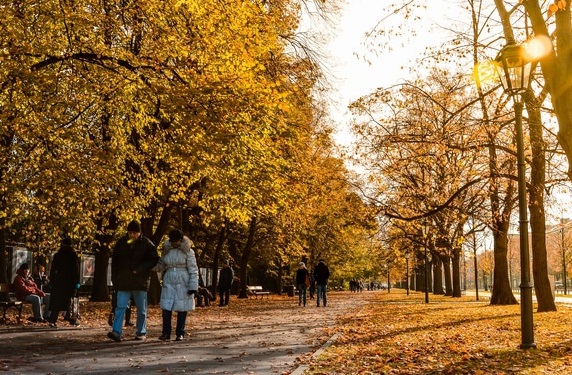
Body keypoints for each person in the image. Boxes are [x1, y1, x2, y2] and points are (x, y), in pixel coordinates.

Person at [107, 220, 159, 342]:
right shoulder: (121, 243)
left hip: (139, 282)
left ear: (139, 233)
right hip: (124, 281)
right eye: (130, 232)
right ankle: (116, 331)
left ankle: (141, 331)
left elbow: (154, 259)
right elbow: (115, 262)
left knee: (141, 309)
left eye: (134, 233)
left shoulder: (146, 244)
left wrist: (140, 269)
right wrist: (115, 279)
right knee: (120, 307)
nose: (131, 235)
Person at [154, 229, 198, 341]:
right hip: (169, 279)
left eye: (176, 241)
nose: (174, 244)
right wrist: (150, 265)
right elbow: (161, 265)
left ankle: (180, 332)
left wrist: (193, 286)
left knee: (182, 308)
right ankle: (166, 332)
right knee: (166, 307)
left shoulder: (188, 251)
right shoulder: (167, 250)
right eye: (172, 241)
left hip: (183, 280)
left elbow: (193, 269)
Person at [47, 237, 81, 328]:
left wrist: (52, 281)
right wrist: (77, 282)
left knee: (56, 303)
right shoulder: (73, 255)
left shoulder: (58, 255)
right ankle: (71, 318)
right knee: (70, 301)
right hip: (69, 282)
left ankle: (52, 320)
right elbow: (76, 270)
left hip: (58, 282)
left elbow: (53, 269)